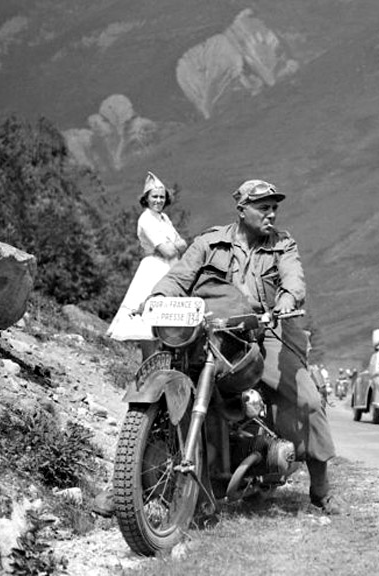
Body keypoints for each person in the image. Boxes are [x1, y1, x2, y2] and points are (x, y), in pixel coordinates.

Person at [146, 179, 343, 515]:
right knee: (169, 386)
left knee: (308, 401)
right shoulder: (209, 243)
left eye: (274, 208)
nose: (271, 214)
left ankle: (321, 489)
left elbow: (293, 277)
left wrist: (286, 299)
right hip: (216, 330)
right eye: (263, 208)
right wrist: (159, 296)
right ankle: (130, 482)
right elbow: (179, 277)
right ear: (241, 210)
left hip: (266, 330)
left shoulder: (282, 244)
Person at [106, 172, 188, 360]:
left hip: (170, 269)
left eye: (161, 197)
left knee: (167, 318)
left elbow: (181, 244)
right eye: (154, 197)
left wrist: (175, 246)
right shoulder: (146, 219)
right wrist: (175, 246)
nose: (158, 201)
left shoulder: (164, 218)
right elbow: (168, 250)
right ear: (147, 198)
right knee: (149, 317)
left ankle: (163, 364)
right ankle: (148, 363)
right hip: (153, 268)